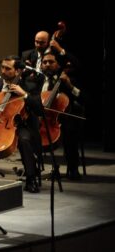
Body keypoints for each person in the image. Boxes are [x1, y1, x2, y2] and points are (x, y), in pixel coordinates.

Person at [0, 56, 42, 192]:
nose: (3, 71)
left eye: (8, 68)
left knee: (24, 140)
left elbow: (40, 109)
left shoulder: (30, 86)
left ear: (18, 71)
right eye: (2, 67)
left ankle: (31, 178)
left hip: (21, 125)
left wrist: (24, 94)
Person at [38, 52, 84, 180]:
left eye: (51, 62)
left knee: (70, 130)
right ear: (40, 65)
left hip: (64, 118)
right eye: (44, 62)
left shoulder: (68, 79)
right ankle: (32, 168)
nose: (47, 65)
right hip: (42, 118)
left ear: (58, 65)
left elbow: (83, 98)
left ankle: (73, 168)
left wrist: (69, 85)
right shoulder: (36, 80)